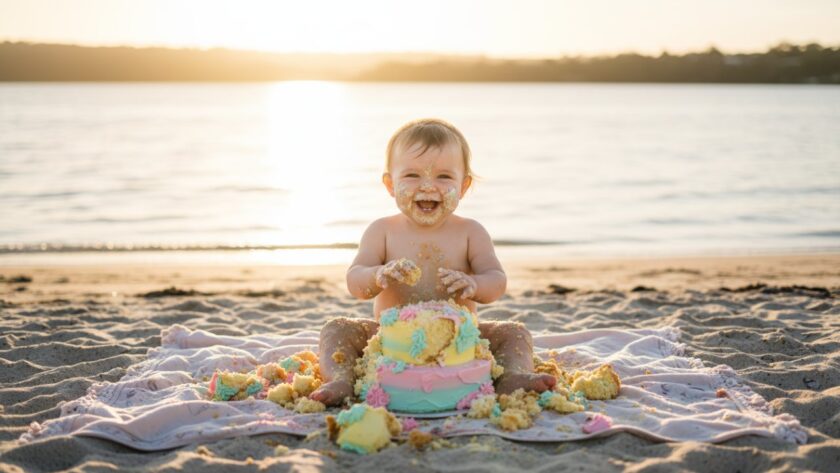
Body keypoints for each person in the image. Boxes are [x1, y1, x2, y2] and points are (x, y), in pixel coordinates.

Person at [310, 118, 556, 406]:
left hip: (460, 343)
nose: (428, 186)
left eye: (443, 177)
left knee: (513, 332)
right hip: (390, 343)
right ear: (390, 184)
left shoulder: (470, 232)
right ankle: (341, 379)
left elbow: (496, 282)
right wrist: (378, 275)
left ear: (463, 186)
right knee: (337, 329)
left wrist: (474, 284)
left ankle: (513, 375)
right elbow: (355, 282)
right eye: (412, 175)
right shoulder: (382, 231)